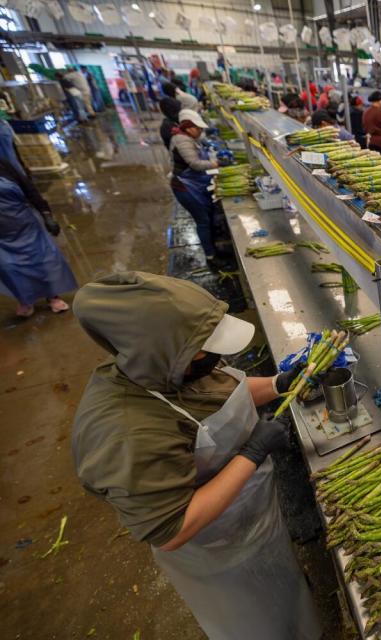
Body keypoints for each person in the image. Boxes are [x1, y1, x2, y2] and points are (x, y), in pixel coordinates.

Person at [72, 271, 322, 639]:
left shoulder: (167, 366)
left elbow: (222, 394)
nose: (215, 358)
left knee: (288, 596)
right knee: (260, 622)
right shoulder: (126, 433)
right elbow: (171, 529)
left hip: (251, 520)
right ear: (168, 352)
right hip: (217, 554)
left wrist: (276, 384)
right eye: (206, 348)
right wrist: (252, 454)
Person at [0, 159, 77, 317]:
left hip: (25, 225)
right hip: (1, 237)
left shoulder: (3, 165)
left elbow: (29, 189)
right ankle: (25, 300)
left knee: (43, 260)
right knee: (8, 267)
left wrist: (47, 215)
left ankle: (53, 296)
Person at [169, 109, 221, 263]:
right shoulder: (183, 140)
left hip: (195, 185)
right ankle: (211, 256)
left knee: (208, 216)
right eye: (199, 129)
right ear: (189, 128)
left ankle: (213, 247)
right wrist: (215, 163)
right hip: (185, 187)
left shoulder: (187, 137)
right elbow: (195, 164)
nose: (200, 132)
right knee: (203, 220)